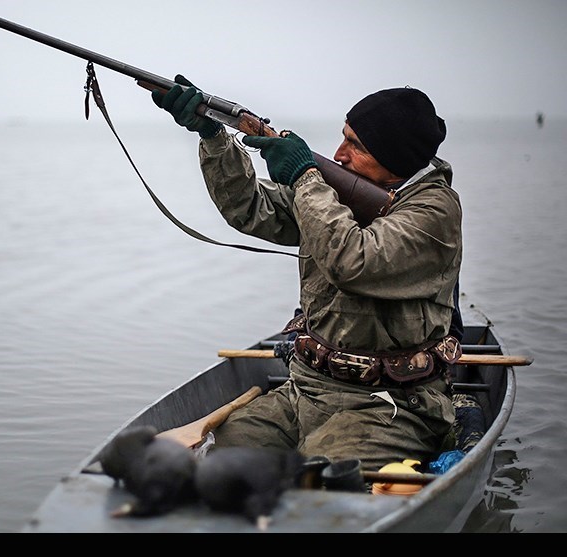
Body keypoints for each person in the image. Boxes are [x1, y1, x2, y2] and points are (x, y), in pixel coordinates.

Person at [152, 76, 463, 472]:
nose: (339, 153)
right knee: (215, 459)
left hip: (394, 405)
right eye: (344, 137)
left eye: (357, 145)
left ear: (396, 159)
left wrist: (305, 177)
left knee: (319, 481)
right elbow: (249, 208)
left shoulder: (435, 213)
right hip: (305, 390)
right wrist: (214, 135)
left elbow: (352, 261)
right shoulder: (339, 193)